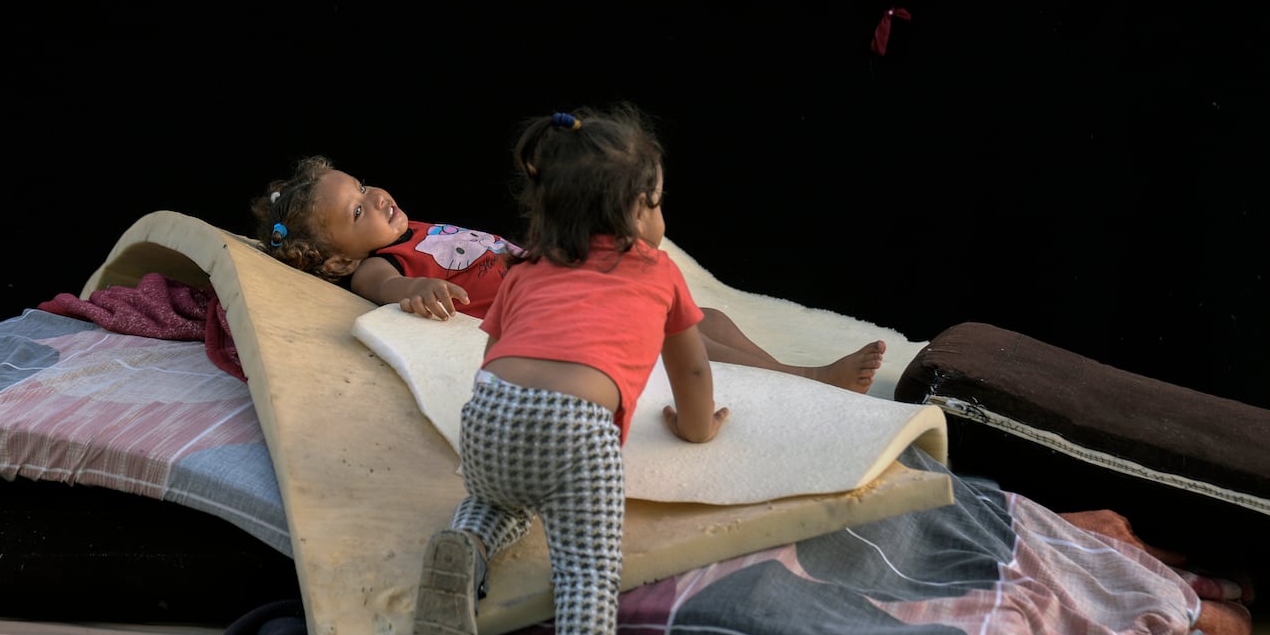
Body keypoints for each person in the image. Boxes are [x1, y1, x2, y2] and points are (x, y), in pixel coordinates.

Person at [413, 103, 730, 635]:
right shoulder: (661, 273)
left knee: (502, 495)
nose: (664, 220)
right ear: (635, 212)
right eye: (658, 204)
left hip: (490, 412)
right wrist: (695, 429)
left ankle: (466, 545)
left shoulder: (523, 270)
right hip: (575, 428)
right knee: (586, 566)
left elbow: (496, 353)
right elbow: (693, 372)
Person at [251, 156, 887, 392]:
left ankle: (795, 375)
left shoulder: (411, 231)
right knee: (674, 334)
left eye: (363, 185)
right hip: (545, 316)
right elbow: (384, 289)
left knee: (707, 317)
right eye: (357, 209)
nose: (377, 196)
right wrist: (413, 289)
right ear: (337, 258)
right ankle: (809, 380)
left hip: (555, 281)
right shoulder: (380, 263)